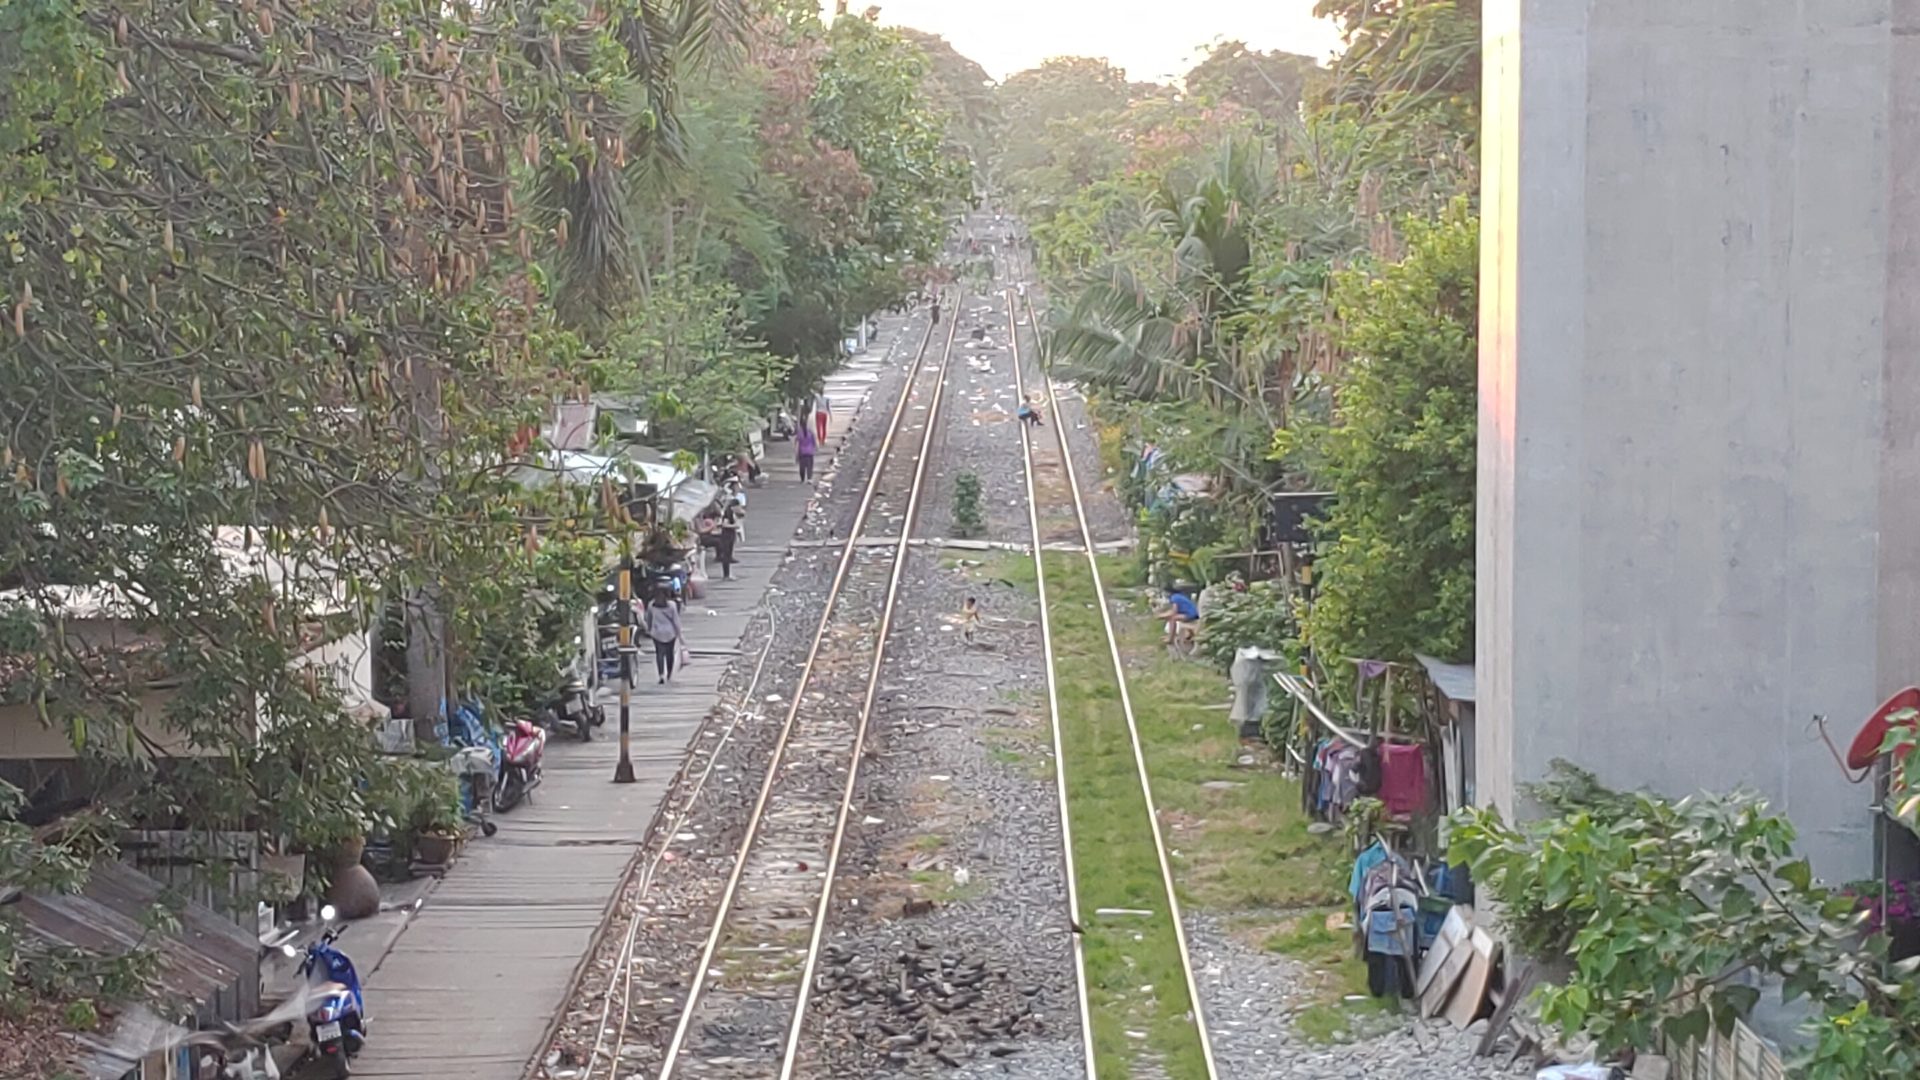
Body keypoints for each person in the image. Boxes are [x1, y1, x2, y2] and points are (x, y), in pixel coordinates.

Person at [643, 588, 682, 684]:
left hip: (657, 632)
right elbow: (675, 620)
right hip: (670, 632)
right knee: (670, 654)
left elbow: (649, 619)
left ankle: (661, 675)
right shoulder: (672, 605)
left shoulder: (651, 605)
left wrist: (648, 629)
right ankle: (669, 674)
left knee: (659, 654)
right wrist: (679, 633)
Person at [716, 500, 742, 580]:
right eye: (738, 506)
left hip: (731, 535)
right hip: (727, 535)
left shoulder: (734, 514)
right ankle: (726, 575)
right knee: (726, 555)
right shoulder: (728, 514)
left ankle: (728, 574)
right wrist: (735, 526)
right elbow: (724, 524)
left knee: (729, 553)